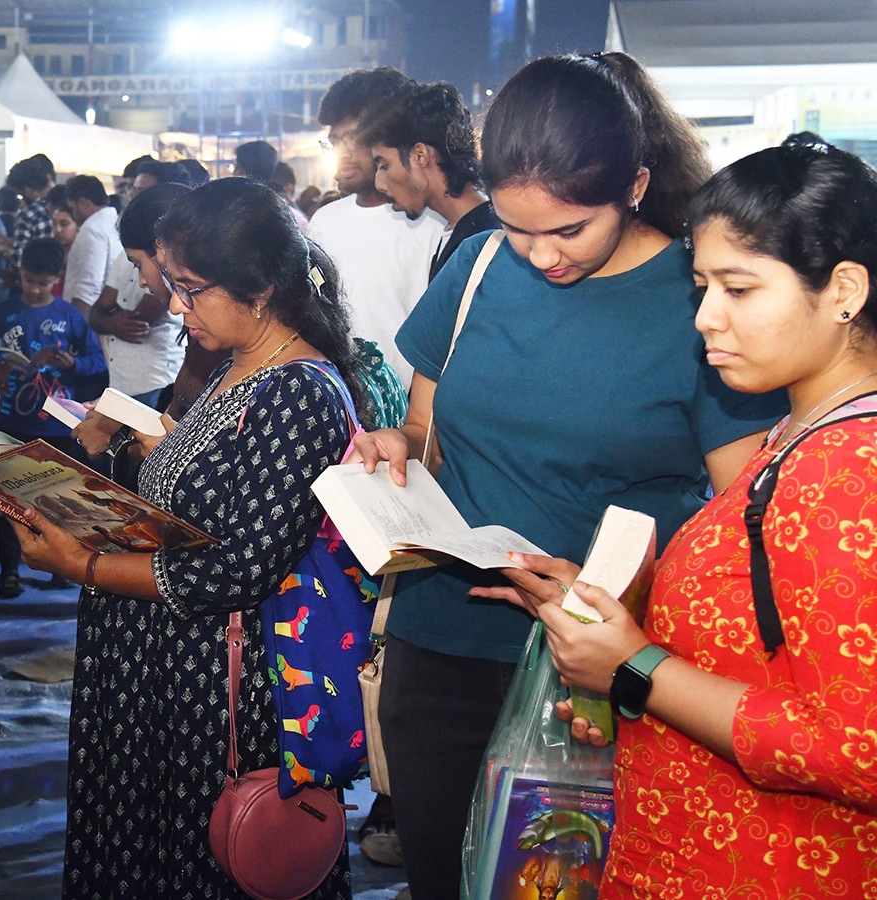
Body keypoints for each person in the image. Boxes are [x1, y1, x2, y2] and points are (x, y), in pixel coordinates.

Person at [348, 52, 788, 900]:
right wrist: (399, 449)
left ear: (636, 185)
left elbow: (740, 527)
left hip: (594, 669)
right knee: (441, 877)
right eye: (519, 229)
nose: (542, 256)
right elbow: (424, 429)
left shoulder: (698, 303)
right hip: (439, 645)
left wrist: (617, 601)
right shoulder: (478, 265)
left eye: (569, 230)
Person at [479, 132, 877, 898]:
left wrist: (636, 666)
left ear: (845, 290)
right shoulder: (799, 434)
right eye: (701, 288)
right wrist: (613, 627)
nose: (705, 318)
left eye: (739, 288)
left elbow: (858, 746)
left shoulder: (844, 466)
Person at [8, 178, 359, 900]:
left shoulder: (297, 392)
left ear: (259, 289)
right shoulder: (241, 364)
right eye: (172, 284)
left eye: (190, 289)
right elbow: (213, 503)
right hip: (165, 675)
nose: (174, 306)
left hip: (211, 693)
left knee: (204, 860)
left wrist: (88, 564)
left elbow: (236, 569)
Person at [0, 237, 108, 597]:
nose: (35, 289)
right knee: (6, 501)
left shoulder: (70, 315)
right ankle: (9, 571)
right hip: (11, 421)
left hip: (61, 425)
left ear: (56, 277)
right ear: (19, 274)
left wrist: (74, 363)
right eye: (29, 280)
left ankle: (61, 565)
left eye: (43, 282)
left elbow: (98, 367)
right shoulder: (5, 312)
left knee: (60, 499)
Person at [308, 67, 445, 389]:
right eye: (334, 142)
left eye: (352, 139)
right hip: (336, 407)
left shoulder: (433, 225)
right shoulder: (324, 220)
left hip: (408, 420)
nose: (342, 153)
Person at [360, 80, 499, 279]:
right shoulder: (460, 233)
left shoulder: (486, 243)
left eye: (384, 165)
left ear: (420, 156)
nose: (379, 184)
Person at [86, 184, 187, 410]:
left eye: (140, 265)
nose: (142, 280)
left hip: (153, 376)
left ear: (162, 250)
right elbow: (96, 314)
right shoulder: (129, 253)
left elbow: (139, 321)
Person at [63, 175, 119, 316]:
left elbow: (88, 286)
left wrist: (76, 326)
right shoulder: (114, 222)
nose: (73, 216)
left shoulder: (92, 229)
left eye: (72, 208)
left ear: (83, 203)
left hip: (90, 315)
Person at [6, 155, 55, 264]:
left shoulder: (28, 215)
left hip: (35, 277)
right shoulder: (67, 207)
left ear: (27, 191)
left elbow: (18, 259)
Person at [46, 184, 77, 299]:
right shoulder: (50, 253)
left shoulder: (82, 257)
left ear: (78, 226)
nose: (58, 229)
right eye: (54, 223)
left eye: (64, 224)